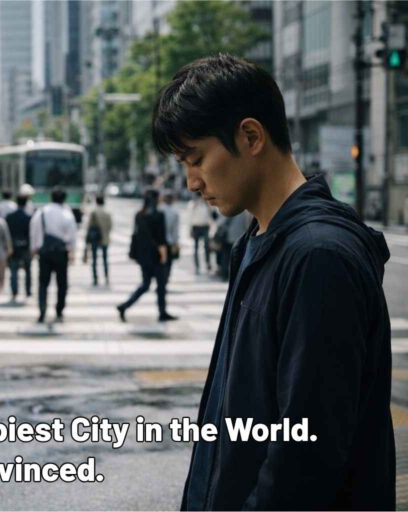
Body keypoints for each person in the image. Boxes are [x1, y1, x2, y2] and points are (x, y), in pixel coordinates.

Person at [154, 54, 394, 510]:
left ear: (250, 136)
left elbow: (305, 458)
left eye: (197, 158)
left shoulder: (317, 257)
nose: (190, 182)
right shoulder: (260, 240)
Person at [116, 189, 176, 322]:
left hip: (143, 256)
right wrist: (164, 255)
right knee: (161, 285)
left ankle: (125, 305)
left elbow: (137, 235)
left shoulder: (139, 215)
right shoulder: (158, 215)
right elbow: (161, 238)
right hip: (157, 255)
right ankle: (162, 312)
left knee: (145, 284)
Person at [29, 188, 77, 323]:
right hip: (61, 252)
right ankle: (59, 309)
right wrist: (73, 252)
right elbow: (72, 234)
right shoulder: (66, 213)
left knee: (43, 282)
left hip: (44, 252)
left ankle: (42, 308)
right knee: (62, 283)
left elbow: (34, 229)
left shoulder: (42, 212)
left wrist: (33, 247)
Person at [5, 194, 33, 301]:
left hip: (13, 246)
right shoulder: (28, 218)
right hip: (26, 246)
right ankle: (28, 291)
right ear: (26, 204)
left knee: (13, 270)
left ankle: (14, 291)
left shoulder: (9, 217)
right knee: (28, 270)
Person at [84, 195, 112, 286]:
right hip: (105, 239)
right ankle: (106, 277)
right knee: (105, 259)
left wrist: (86, 238)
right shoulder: (107, 212)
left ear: (96, 202)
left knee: (95, 259)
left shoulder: (93, 212)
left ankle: (95, 278)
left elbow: (89, 227)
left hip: (95, 239)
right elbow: (110, 226)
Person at [157, 190, 181, 288]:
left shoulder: (159, 209)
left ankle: (161, 281)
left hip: (159, 241)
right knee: (168, 263)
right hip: (170, 241)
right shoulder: (174, 212)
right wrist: (176, 242)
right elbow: (175, 230)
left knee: (160, 262)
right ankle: (165, 281)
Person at [188, 194, 213, 274]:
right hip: (196, 227)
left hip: (205, 226)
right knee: (196, 247)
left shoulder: (207, 204)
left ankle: (208, 263)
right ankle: (197, 266)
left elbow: (211, 216)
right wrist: (190, 229)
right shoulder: (192, 204)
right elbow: (189, 217)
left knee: (206, 246)